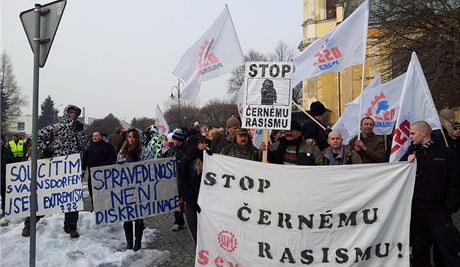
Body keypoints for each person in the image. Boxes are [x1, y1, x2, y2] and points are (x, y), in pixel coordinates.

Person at [22, 105, 90, 238]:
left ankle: (70, 227)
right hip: (54, 168)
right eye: (70, 112)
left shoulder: (79, 129)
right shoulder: (56, 127)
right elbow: (36, 136)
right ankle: (29, 224)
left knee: (72, 198)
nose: (73, 115)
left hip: (70, 169)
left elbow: (86, 146)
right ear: (66, 113)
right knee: (44, 196)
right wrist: (45, 148)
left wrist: (80, 133)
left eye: (75, 113)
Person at [403, 121, 460, 266]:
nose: (410, 136)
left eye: (412, 133)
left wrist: (449, 207)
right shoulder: (410, 153)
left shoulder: (445, 153)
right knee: (419, 251)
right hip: (417, 211)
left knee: (445, 250)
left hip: (439, 211)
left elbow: (455, 181)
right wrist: (405, 164)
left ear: (424, 133)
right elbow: (397, 175)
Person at [117, 128, 151, 251]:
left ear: (138, 138)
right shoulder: (122, 151)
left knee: (138, 218)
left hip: (140, 188)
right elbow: (118, 168)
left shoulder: (144, 151)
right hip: (126, 188)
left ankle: (138, 243)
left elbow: (150, 167)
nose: (131, 139)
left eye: (134, 137)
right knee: (127, 217)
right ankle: (129, 243)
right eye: (129, 137)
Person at [179, 134, 208, 244]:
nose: (204, 145)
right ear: (194, 145)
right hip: (193, 201)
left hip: (207, 200)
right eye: (202, 143)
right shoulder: (186, 162)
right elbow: (183, 183)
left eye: (205, 142)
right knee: (195, 228)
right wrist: (191, 201)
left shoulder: (208, 157)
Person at [81, 130, 117, 204]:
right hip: (91, 172)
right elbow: (85, 158)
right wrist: (83, 168)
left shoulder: (108, 146)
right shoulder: (89, 146)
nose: (94, 137)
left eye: (96, 136)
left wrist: (107, 166)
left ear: (101, 137)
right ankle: (94, 206)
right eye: (93, 136)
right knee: (91, 189)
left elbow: (112, 157)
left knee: (103, 190)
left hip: (103, 172)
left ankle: (104, 206)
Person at [167, 128, 188, 232]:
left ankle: (191, 219)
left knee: (186, 200)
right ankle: (178, 221)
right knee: (176, 201)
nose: (173, 141)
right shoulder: (172, 150)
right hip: (175, 180)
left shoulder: (186, 150)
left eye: (175, 139)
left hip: (184, 179)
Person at [1, 136, 14, 217]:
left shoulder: (7, 152)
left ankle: (4, 211)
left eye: (1, 140)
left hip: (4, 178)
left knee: (4, 196)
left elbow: (12, 163)